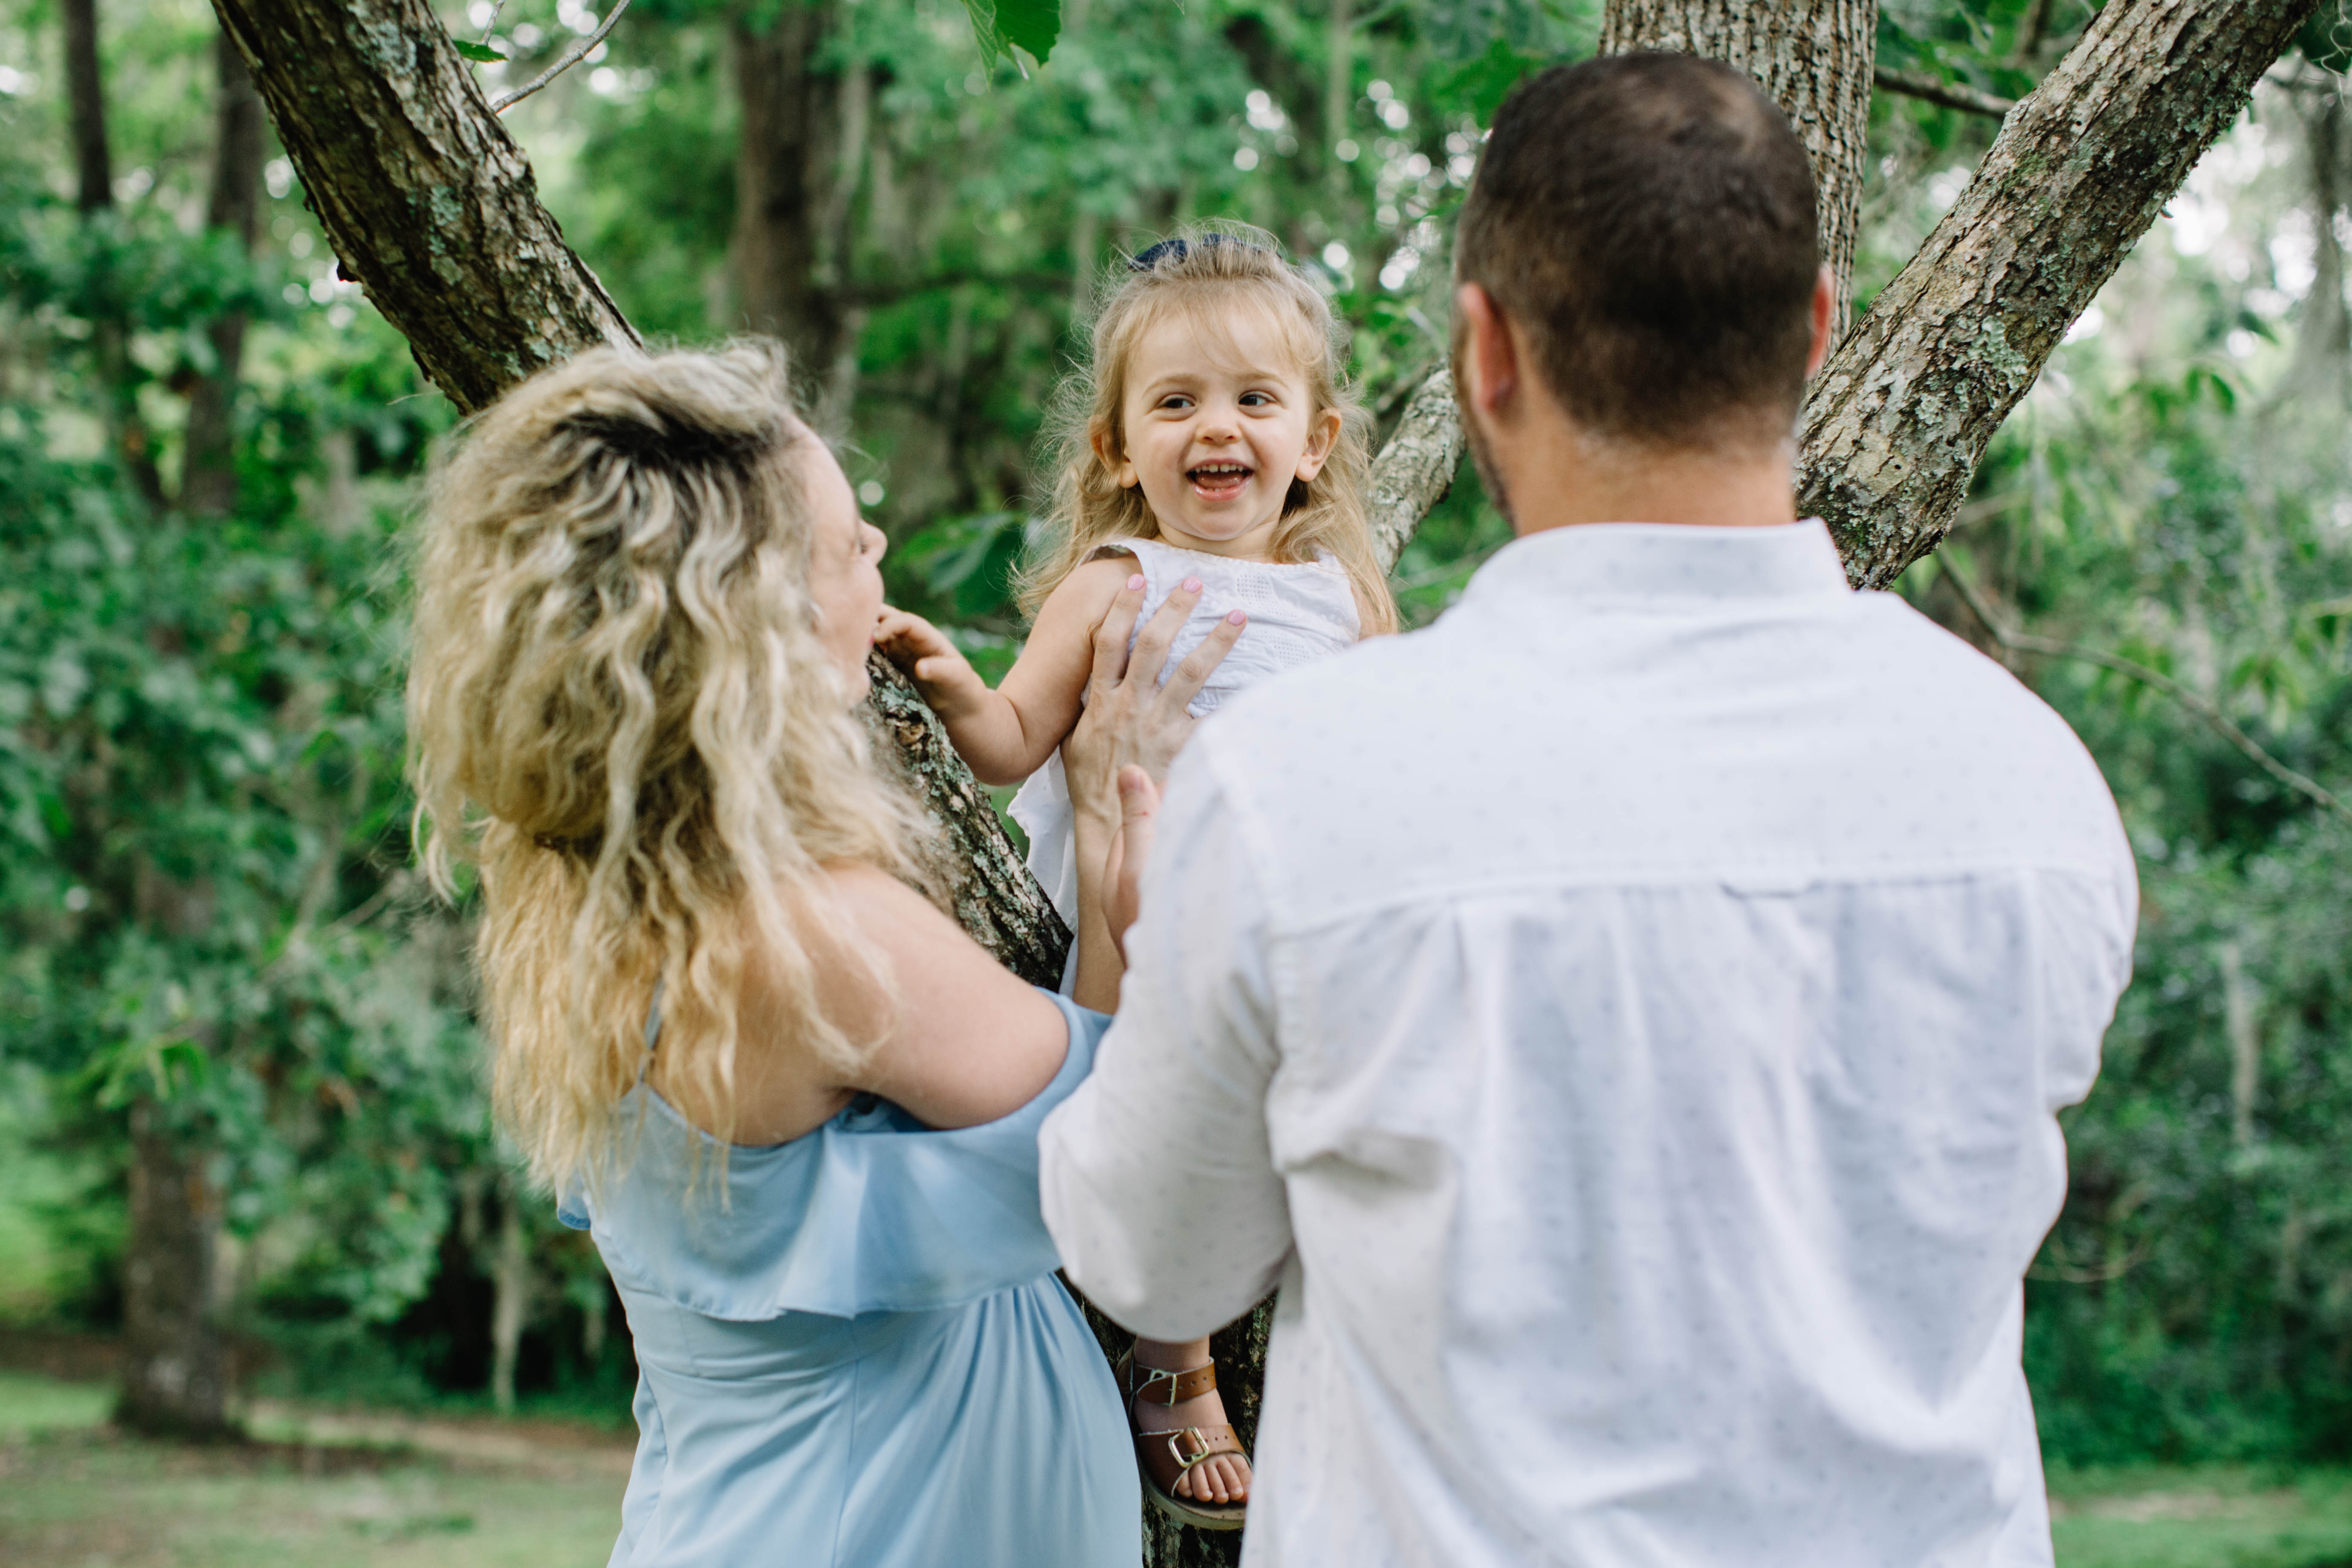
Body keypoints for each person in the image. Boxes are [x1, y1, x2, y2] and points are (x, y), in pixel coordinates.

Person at [1040, 53, 2138, 1568]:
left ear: (1484, 353)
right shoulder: (2034, 787)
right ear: (1816, 334)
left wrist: (1135, 934)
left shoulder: (1301, 790)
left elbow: (1151, 1253)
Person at [402, 343, 1238, 1568]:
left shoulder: (590, 879)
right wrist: (1117, 834)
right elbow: (1125, 1160)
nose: (882, 551)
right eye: (852, 544)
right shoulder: (813, 933)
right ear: (766, 616)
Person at [874, 226, 1398, 1527]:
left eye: (1253, 400)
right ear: (1117, 450)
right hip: (1148, 925)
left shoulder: (1342, 597)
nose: (1216, 428)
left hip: (1301, 913)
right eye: (1176, 402)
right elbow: (1011, 744)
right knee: (1184, 1112)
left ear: (1315, 441)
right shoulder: (1117, 582)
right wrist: (949, 684)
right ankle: (1174, 1358)